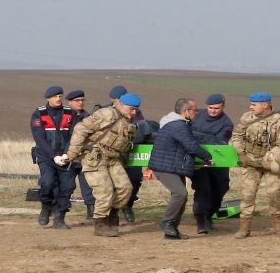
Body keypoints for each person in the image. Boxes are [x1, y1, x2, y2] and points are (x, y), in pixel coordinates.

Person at [66, 93, 140, 237]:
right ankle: (100, 223)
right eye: (132, 108)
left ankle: (112, 215)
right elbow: (81, 128)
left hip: (114, 158)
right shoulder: (106, 113)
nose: (134, 112)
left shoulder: (127, 121)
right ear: (123, 105)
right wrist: (73, 151)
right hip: (94, 157)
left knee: (125, 188)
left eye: (136, 109)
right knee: (104, 191)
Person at [148, 98, 214, 240]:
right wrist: (208, 158)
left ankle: (171, 231)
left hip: (173, 166)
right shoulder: (178, 126)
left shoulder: (175, 124)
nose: (196, 113)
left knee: (180, 197)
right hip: (165, 168)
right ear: (185, 111)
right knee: (180, 194)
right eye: (194, 110)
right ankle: (166, 223)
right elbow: (190, 145)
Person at [231, 92, 280, 239]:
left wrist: (271, 159)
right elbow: (236, 136)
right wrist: (241, 154)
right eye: (250, 104)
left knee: (274, 192)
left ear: (265, 105)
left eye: (254, 104)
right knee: (248, 194)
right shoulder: (247, 118)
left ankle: (277, 224)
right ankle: (244, 227)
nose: (250, 107)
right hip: (250, 160)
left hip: (271, 164)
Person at [30, 86, 76, 229]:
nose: (58, 99)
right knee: (47, 183)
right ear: (48, 98)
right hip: (46, 156)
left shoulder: (70, 113)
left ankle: (59, 218)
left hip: (66, 156)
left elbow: (75, 135)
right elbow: (40, 138)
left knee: (67, 187)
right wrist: (53, 156)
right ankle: (46, 206)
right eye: (55, 96)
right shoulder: (39, 113)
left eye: (60, 96)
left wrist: (66, 153)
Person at [190, 93, 233, 234]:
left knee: (221, 188)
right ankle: (201, 219)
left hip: (218, 160)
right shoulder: (197, 115)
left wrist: (197, 136)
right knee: (203, 188)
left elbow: (218, 142)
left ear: (223, 107)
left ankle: (209, 215)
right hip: (198, 158)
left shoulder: (226, 123)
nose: (213, 110)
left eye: (216, 108)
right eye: (210, 107)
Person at [105, 85, 144, 223]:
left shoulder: (135, 111)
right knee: (111, 184)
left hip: (131, 151)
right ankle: (111, 213)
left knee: (134, 179)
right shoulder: (105, 111)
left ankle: (128, 205)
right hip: (111, 153)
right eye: (115, 99)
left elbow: (140, 129)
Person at [65, 90, 95, 220]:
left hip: (84, 155)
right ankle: (61, 210)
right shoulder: (64, 117)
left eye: (82, 100)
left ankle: (91, 210)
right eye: (77, 101)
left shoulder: (89, 118)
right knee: (66, 184)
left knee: (87, 184)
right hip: (67, 156)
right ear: (69, 102)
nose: (81, 103)